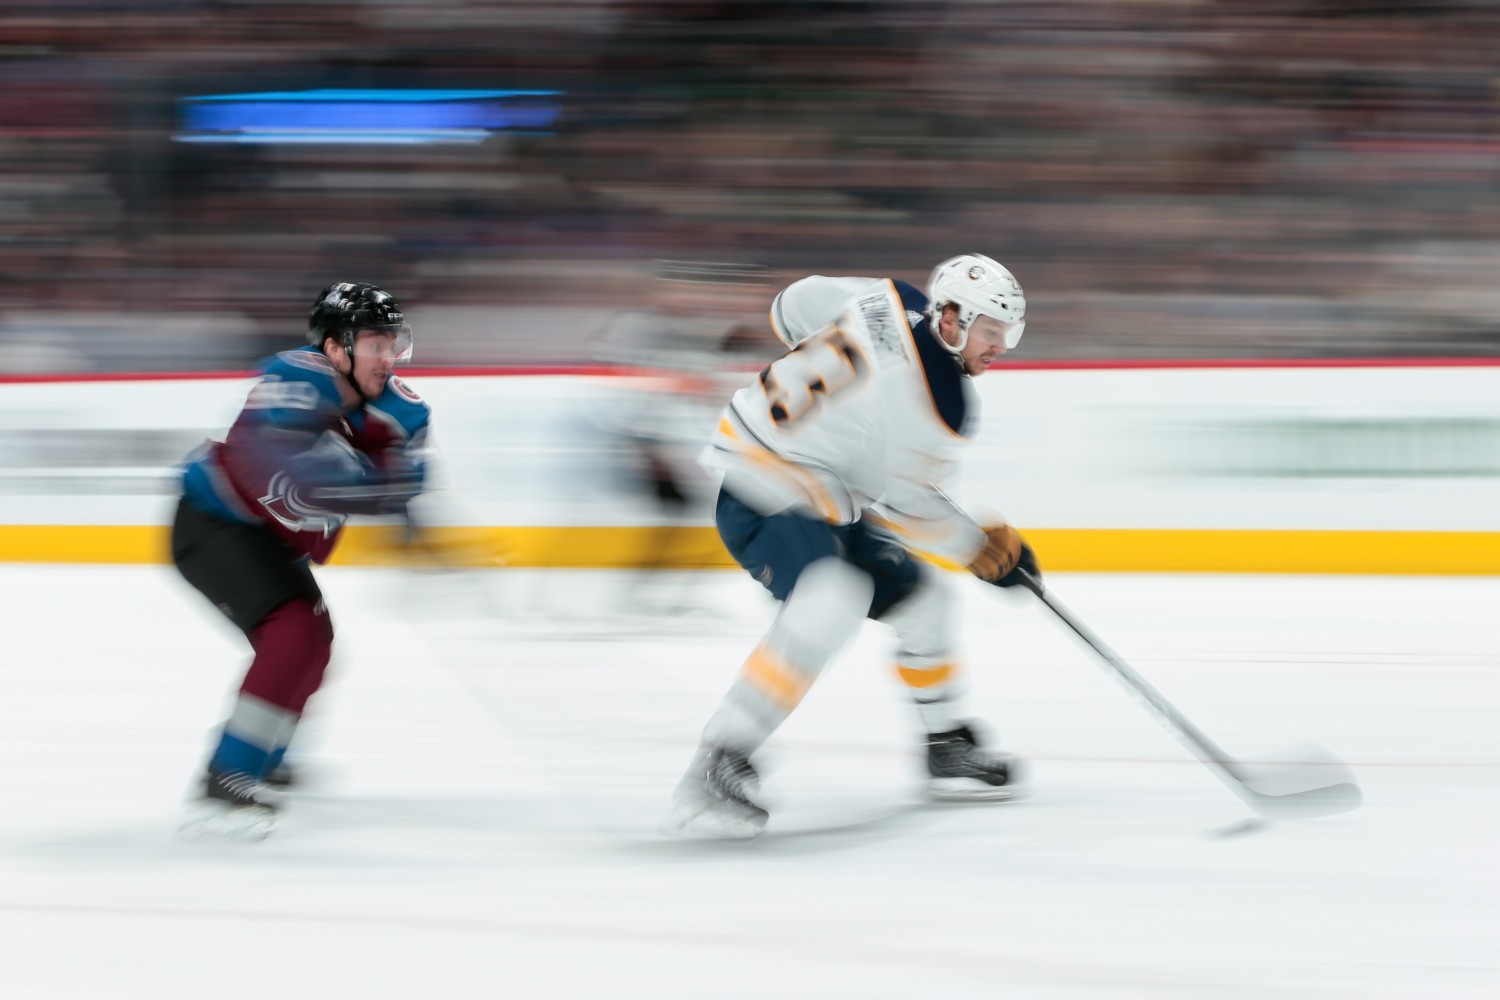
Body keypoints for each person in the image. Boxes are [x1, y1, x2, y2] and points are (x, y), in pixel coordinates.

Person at [666, 254, 1041, 838]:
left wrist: (819, 383)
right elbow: (907, 506)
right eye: (992, 332)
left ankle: (944, 744)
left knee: (926, 604)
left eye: (1008, 333)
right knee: (832, 599)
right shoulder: (940, 403)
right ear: (952, 319)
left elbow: (792, 304)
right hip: (760, 486)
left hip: (823, 493)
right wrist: (983, 552)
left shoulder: (889, 296)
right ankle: (720, 758)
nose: (1002, 347)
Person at [172, 282, 430, 833]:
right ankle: (228, 774)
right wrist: (377, 483)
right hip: (217, 526)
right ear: (335, 348)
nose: (388, 357)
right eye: (374, 343)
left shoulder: (395, 408)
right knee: (292, 634)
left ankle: (261, 752)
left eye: (393, 343)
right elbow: (282, 476)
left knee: (314, 645)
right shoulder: (294, 379)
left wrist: (397, 500)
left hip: (264, 537)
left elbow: (403, 482)